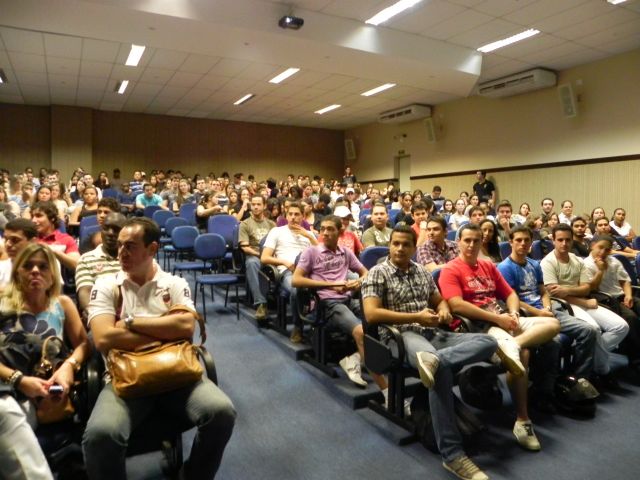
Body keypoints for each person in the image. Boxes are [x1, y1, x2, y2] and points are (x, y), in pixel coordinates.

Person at [83, 217, 236, 480]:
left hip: (177, 376)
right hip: (125, 380)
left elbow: (186, 327)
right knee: (100, 435)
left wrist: (130, 323)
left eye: (130, 246)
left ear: (152, 249)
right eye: (120, 245)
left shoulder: (175, 284)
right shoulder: (106, 285)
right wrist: (166, 333)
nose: (121, 253)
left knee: (222, 412)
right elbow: (104, 338)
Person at [362, 224, 497, 480]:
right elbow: (371, 314)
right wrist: (416, 317)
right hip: (402, 336)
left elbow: (439, 300)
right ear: (390, 245)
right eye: (395, 243)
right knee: (439, 373)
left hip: (434, 334)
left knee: (488, 342)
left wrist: (444, 310)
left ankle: (435, 361)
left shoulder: (422, 272)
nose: (400, 248)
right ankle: (453, 455)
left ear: (414, 248)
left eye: (406, 245)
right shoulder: (377, 273)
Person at [440, 223, 556, 451]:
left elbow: (510, 294)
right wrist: (497, 319)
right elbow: (456, 305)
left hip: (504, 320)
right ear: (458, 242)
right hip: (480, 327)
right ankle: (522, 420)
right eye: (467, 240)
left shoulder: (487, 266)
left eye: (476, 240)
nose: (471, 245)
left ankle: (513, 344)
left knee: (553, 324)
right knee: (522, 355)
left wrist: (513, 313)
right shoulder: (450, 269)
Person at [0, 243, 91, 480]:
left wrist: (69, 366)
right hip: (6, 385)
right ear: (17, 271)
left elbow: (83, 344)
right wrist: (18, 380)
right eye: (28, 266)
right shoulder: (2, 302)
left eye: (42, 266)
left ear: (52, 276)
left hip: (44, 391)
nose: (35, 271)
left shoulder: (62, 304)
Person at [497, 226, 594, 410]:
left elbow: (543, 291)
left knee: (588, 331)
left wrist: (547, 307)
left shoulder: (534, 264)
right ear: (510, 242)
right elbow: (511, 299)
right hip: (527, 315)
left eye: (527, 240)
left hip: (547, 311)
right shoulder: (505, 268)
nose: (523, 244)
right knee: (554, 342)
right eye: (518, 240)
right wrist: (539, 312)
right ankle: (544, 391)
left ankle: (577, 382)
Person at [293, 215, 386, 389]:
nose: (325, 233)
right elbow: (296, 280)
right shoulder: (311, 252)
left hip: (348, 300)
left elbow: (366, 273)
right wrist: (331, 285)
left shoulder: (345, 252)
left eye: (330, 229)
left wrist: (356, 282)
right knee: (360, 332)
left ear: (339, 232)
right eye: (323, 229)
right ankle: (385, 390)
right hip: (326, 303)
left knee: (381, 322)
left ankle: (355, 358)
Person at [541, 224, 629, 389]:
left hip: (582, 300)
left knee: (621, 326)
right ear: (553, 240)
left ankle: (588, 355)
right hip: (567, 305)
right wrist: (581, 299)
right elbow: (555, 295)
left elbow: (586, 288)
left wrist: (567, 289)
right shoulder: (548, 262)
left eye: (568, 240)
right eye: (560, 240)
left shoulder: (576, 259)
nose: (564, 243)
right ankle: (603, 371)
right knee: (593, 329)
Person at [261, 201, 318, 343]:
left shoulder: (309, 234)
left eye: (297, 214)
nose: (293, 217)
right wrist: (285, 262)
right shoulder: (277, 231)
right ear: (286, 216)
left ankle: (318, 325)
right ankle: (298, 327)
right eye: (290, 214)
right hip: (287, 271)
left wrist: (310, 237)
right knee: (296, 289)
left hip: (308, 271)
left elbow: (322, 254)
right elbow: (264, 257)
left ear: (303, 216)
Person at [584, 235, 640, 368]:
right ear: (592, 246)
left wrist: (628, 296)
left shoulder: (614, 261)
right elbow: (591, 288)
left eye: (607, 250)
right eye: (600, 247)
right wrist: (600, 270)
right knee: (631, 317)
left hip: (621, 295)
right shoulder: (585, 264)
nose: (603, 252)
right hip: (605, 299)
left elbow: (624, 281)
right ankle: (636, 356)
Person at [75, 213, 126, 323]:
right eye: (106, 228)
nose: (110, 233)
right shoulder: (86, 259)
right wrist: (94, 313)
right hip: (101, 316)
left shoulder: (133, 258)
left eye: (116, 229)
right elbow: (85, 292)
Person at [239, 195, 276, 322]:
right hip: (255, 256)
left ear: (264, 206)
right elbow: (245, 248)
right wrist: (261, 255)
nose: (255, 207)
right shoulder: (245, 224)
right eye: (253, 204)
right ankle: (261, 303)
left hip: (270, 256)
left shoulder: (271, 224)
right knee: (252, 263)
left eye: (258, 204)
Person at [32, 201, 80, 271]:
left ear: (52, 218)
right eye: (32, 216)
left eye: (39, 216)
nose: (33, 220)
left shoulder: (66, 239)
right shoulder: (29, 238)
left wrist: (53, 251)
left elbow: (76, 265)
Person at [0, 218, 38, 291]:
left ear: (32, 242)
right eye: (6, 239)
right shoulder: (1, 267)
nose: (8, 244)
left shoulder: (46, 265)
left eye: (15, 240)